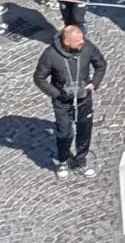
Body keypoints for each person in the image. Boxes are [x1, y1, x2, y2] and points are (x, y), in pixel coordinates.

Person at [32, 23, 108, 178]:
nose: (82, 42)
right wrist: (57, 94)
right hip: (62, 102)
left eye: (82, 39)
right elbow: (39, 78)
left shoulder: (87, 48)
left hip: (83, 100)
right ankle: (62, 161)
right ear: (67, 43)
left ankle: (81, 161)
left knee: (84, 131)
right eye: (78, 41)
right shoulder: (50, 55)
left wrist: (94, 83)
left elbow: (101, 65)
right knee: (64, 133)